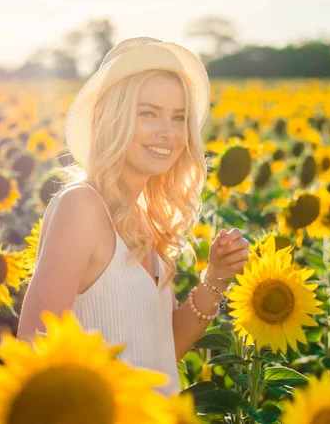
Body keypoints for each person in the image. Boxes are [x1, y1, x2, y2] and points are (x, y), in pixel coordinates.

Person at [16, 37, 250, 397]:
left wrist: (215, 277)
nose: (168, 132)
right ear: (114, 117)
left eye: (179, 118)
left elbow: (161, 353)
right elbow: (34, 350)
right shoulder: (82, 207)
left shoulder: (147, 220)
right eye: (148, 113)